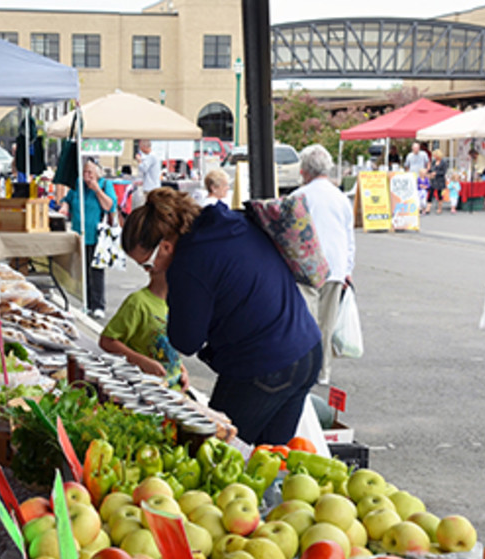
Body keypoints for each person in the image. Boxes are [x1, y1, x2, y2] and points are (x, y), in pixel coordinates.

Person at [120, 188, 321, 445]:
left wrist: (174, 292)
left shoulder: (188, 263)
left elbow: (186, 340)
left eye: (148, 265)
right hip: (307, 351)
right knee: (270, 459)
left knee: (212, 448)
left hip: (263, 366)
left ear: (166, 247)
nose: (151, 272)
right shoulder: (231, 223)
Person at [292, 144, 355, 386]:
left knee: (305, 322)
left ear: (305, 170)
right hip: (336, 266)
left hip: (306, 267)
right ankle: (323, 371)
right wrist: (348, 268)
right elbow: (349, 237)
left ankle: (303, 370)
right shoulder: (341, 198)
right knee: (326, 324)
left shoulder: (298, 197)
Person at [99, 261, 189, 390]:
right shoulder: (137, 302)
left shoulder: (178, 303)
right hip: (146, 388)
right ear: (152, 267)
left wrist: (182, 370)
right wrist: (141, 361)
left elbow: (170, 347)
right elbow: (107, 341)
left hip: (175, 388)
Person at [58, 160, 117, 319]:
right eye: (84, 172)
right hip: (79, 235)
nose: (87, 176)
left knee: (96, 271)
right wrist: (65, 206)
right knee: (83, 270)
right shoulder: (78, 184)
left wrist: (96, 189)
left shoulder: (104, 185)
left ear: (97, 173)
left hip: (97, 235)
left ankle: (98, 305)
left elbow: (110, 206)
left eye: (90, 172)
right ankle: (88, 303)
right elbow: (68, 198)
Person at [135, 139, 161, 205]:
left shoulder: (151, 156)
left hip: (150, 187)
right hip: (153, 186)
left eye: (140, 147)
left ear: (144, 146)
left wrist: (139, 161)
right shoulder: (153, 155)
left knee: (149, 207)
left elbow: (144, 168)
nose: (140, 149)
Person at [426, 149, 448, 215]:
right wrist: (429, 170)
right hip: (433, 180)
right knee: (430, 193)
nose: (434, 156)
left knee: (439, 194)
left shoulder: (443, 162)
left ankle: (439, 208)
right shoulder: (433, 162)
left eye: (435, 155)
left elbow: (444, 172)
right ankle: (428, 208)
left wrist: (436, 173)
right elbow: (431, 170)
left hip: (440, 180)